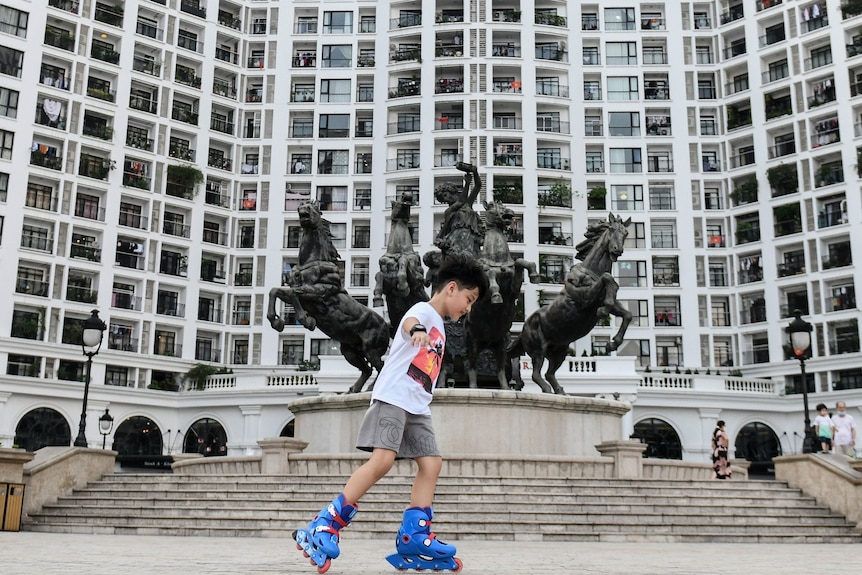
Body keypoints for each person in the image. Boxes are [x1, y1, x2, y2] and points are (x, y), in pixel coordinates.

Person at [292, 255, 488, 572]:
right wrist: (419, 331)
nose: (468, 308)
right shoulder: (423, 311)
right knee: (382, 460)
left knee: (431, 463)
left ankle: (414, 534)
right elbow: (409, 324)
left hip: (417, 406)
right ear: (451, 288)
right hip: (394, 398)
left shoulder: (439, 323)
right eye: (469, 299)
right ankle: (326, 523)